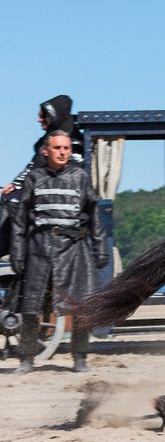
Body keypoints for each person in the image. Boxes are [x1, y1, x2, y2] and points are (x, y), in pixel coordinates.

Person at [10, 131, 108, 374]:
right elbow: (20, 221)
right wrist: (18, 253)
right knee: (31, 307)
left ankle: (80, 357)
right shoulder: (34, 178)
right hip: (39, 248)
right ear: (46, 151)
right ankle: (26, 358)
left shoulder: (80, 177)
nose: (63, 152)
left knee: (81, 306)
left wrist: (100, 248)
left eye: (66, 148)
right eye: (57, 148)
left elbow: (94, 215)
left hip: (74, 249)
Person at [1, 95, 84, 257]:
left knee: (13, 203)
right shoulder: (44, 143)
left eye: (43, 115)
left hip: (55, 200)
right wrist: (13, 186)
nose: (39, 120)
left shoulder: (72, 145)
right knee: (8, 197)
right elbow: (29, 171)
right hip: (37, 192)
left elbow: (64, 176)